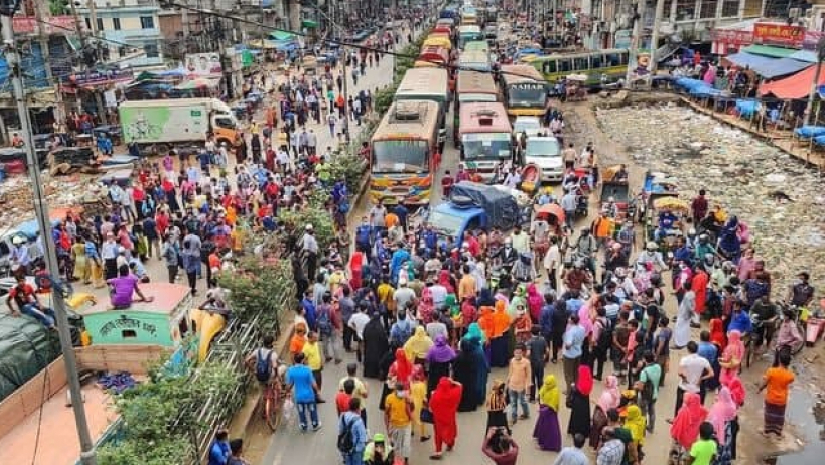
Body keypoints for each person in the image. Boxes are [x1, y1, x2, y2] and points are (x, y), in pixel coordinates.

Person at [759, 350, 795, 437]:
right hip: (782, 400)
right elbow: (789, 381)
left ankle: (766, 432)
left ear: (779, 360)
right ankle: (778, 433)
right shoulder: (790, 375)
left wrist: (760, 389)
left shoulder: (771, 371)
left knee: (768, 415)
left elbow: (765, 383)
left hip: (771, 398)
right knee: (780, 417)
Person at [674, 341, 713, 415]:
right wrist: (701, 378)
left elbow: (679, 372)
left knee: (679, 406)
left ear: (688, 349)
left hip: (684, 387)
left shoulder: (684, 359)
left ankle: (676, 420)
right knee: (694, 408)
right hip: (696, 388)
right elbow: (711, 374)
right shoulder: (703, 360)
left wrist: (684, 378)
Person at [285, 352, 321, 432]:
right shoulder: (307, 369)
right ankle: (315, 424)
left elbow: (289, 385)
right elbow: (313, 383)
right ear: (303, 360)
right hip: (309, 395)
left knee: (301, 411)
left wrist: (287, 392)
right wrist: (317, 391)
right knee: (312, 410)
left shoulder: (291, 370)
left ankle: (303, 425)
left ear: (294, 360)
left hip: (299, 396)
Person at [429, 377, 462, 460]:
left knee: (438, 434)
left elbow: (431, 408)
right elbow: (460, 385)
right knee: (451, 430)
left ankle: (438, 451)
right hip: (450, 417)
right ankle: (450, 444)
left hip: (438, 419)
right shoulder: (453, 393)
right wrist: (452, 381)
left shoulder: (435, 395)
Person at [454, 337, 487, 411]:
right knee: (470, 390)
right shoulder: (473, 354)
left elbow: (454, 367)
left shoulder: (459, 356)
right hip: (470, 377)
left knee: (463, 392)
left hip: (460, 378)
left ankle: (462, 406)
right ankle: (471, 405)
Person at [707, 386, 738, 465]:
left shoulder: (718, 406)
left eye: (717, 394)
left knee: (717, 451)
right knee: (726, 447)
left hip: (718, 432)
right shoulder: (732, 405)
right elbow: (733, 417)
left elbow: (711, 422)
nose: (716, 396)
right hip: (727, 430)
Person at [384, 382, 413, 464]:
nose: (401, 392)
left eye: (402, 390)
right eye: (399, 390)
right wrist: (387, 428)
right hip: (394, 425)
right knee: (396, 446)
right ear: (395, 390)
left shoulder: (406, 397)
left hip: (406, 425)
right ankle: (396, 461)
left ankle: (406, 461)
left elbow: (412, 409)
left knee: (406, 445)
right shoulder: (389, 398)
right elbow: (386, 413)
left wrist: (410, 401)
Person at [533, 375, 562, 452]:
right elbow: (541, 391)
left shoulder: (555, 391)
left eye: (548, 384)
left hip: (550, 412)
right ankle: (540, 438)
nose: (546, 385)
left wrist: (543, 410)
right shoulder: (546, 386)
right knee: (542, 426)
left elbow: (552, 405)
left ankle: (548, 445)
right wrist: (538, 398)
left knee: (550, 429)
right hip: (544, 408)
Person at [590, 376, 620, 448]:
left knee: (598, 431)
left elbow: (602, 406)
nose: (605, 383)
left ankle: (595, 446)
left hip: (602, 415)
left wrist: (594, 402)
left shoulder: (607, 394)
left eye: (607, 382)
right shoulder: (615, 391)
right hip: (609, 415)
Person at [506, 343, 532, 424]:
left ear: (522, 353)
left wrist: (528, 387)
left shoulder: (526, 362)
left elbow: (529, 375)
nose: (518, 354)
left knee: (522, 401)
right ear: (514, 353)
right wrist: (507, 382)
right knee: (513, 402)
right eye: (516, 353)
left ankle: (526, 413)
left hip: (521, 386)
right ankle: (514, 418)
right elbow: (510, 372)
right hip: (512, 385)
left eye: (519, 353)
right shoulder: (512, 361)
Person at [339, 398, 368, 465]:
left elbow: (340, 430)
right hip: (356, 449)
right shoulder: (359, 421)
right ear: (358, 408)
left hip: (346, 446)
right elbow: (363, 438)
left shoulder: (343, 415)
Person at [567, 365, 593, 438]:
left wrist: (572, 387)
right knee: (584, 417)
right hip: (585, 402)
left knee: (576, 417)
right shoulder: (588, 381)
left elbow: (576, 390)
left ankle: (574, 431)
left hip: (578, 402)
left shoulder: (580, 382)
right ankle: (584, 432)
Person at [362, 312, 390, 379]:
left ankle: (368, 373)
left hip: (369, 348)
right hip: (378, 350)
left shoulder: (367, 326)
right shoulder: (380, 328)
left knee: (369, 359)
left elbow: (364, 335)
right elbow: (384, 339)